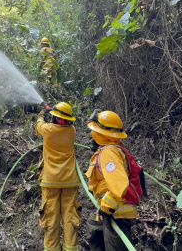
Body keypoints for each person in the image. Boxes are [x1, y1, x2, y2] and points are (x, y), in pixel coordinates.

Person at [85, 110, 137, 251]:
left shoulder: (109, 153)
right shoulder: (112, 149)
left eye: (95, 130)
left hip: (115, 213)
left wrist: (107, 208)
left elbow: (119, 185)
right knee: (93, 229)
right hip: (109, 210)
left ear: (100, 134)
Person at [35, 102, 81, 251]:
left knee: (51, 217)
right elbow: (59, 124)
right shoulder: (72, 131)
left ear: (54, 118)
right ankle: (71, 248)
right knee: (69, 216)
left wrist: (42, 114)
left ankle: (52, 247)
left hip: (50, 181)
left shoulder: (47, 130)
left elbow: (38, 126)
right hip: (70, 180)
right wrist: (53, 113)